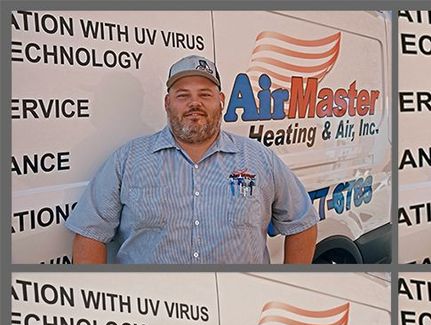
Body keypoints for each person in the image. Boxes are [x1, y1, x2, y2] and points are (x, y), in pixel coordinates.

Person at [66, 55, 318, 264]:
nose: (194, 103)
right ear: (167, 103)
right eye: (183, 95)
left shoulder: (259, 158)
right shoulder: (128, 159)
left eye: (205, 95)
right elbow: (90, 234)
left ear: (221, 102)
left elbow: (302, 223)